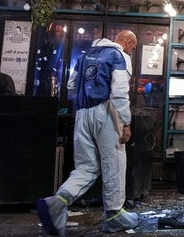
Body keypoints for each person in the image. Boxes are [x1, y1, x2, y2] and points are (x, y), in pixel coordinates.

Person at [37, 30, 138, 236]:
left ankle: (57, 202)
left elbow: (71, 84)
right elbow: (119, 92)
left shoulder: (84, 56)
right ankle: (114, 215)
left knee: (86, 167)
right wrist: (125, 122)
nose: (131, 51)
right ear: (127, 42)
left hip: (82, 113)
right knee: (115, 163)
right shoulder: (119, 56)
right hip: (107, 111)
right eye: (133, 48)